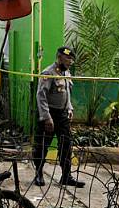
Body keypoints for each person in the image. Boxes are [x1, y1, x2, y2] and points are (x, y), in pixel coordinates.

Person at [33, 46, 85, 188]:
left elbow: (67, 93)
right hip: (49, 114)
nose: (70, 61)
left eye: (71, 59)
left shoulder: (66, 73)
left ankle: (66, 176)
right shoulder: (48, 73)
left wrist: (69, 108)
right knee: (42, 146)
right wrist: (46, 117)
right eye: (68, 58)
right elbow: (41, 96)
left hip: (62, 115)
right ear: (59, 57)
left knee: (66, 145)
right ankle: (38, 173)